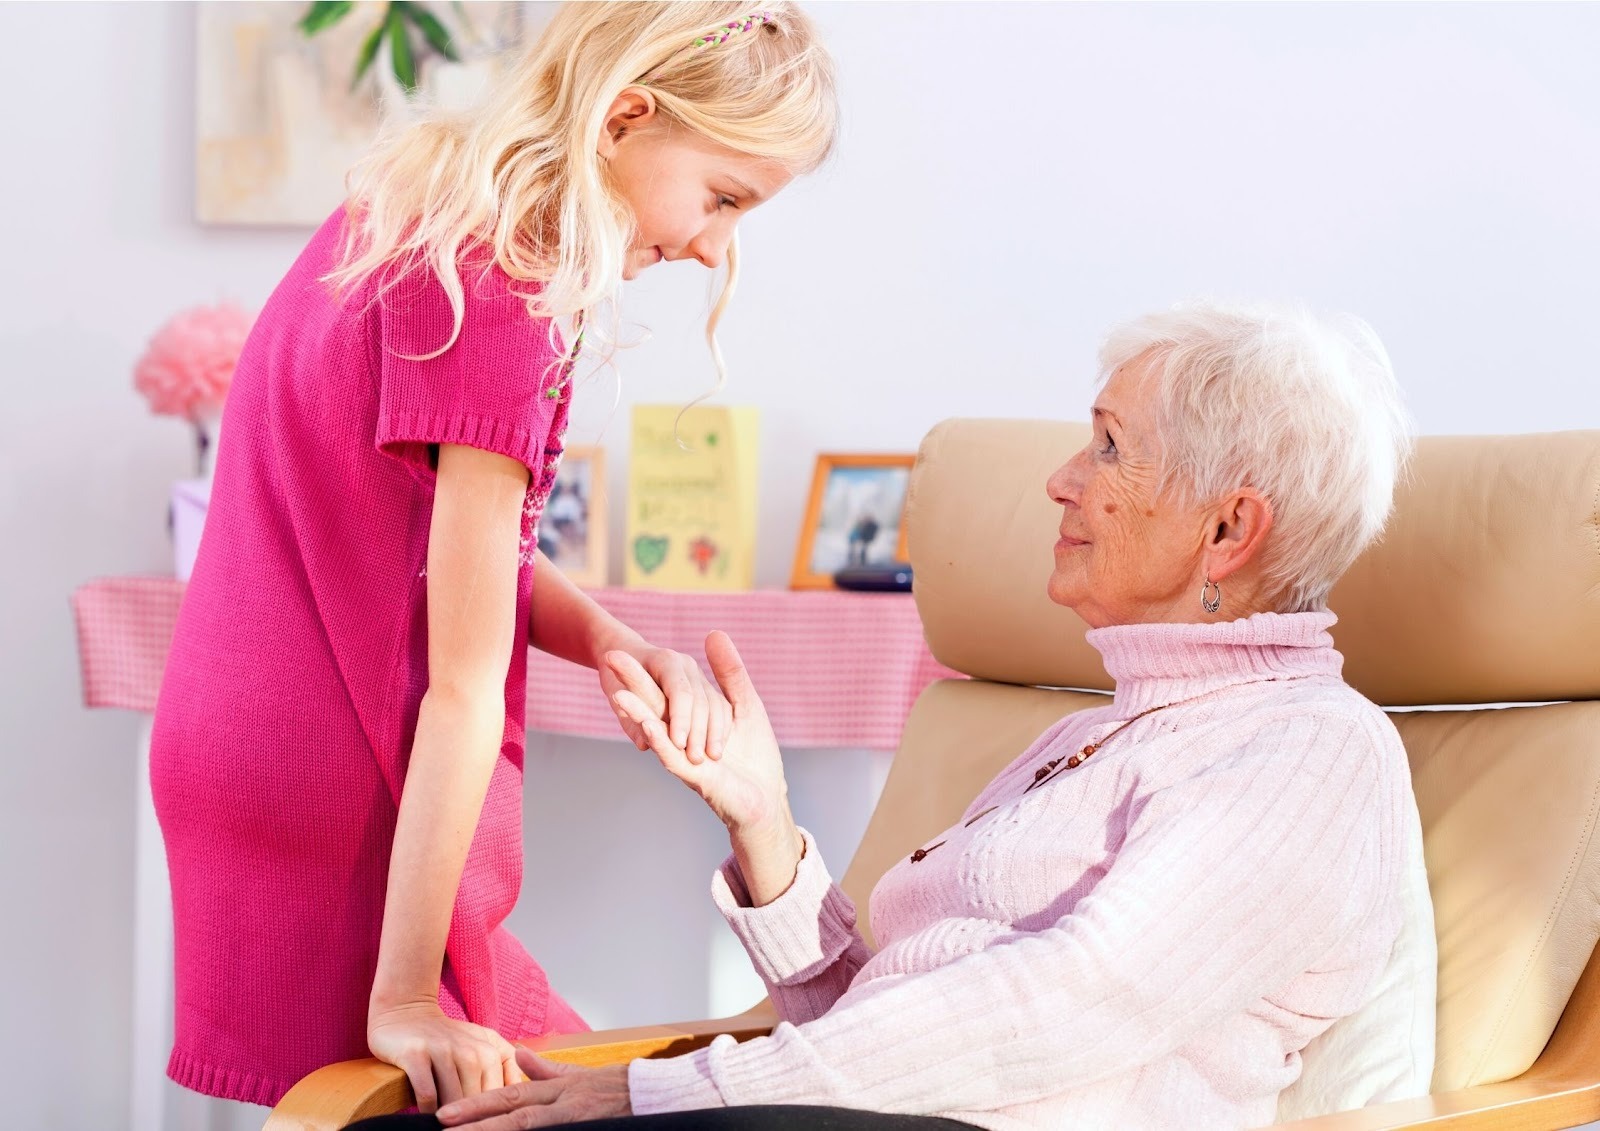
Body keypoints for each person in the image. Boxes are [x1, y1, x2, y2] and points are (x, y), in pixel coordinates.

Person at [366, 301, 1430, 1130]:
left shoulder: (1312, 750)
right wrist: (764, 821)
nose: (1061, 481)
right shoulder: (1089, 735)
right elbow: (869, 1029)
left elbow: (1067, 1003)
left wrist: (669, 1091)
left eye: (1107, 446)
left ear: (1229, 528)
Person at [149, 1, 837, 1116]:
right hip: (348, 783)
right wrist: (407, 994)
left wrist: (607, 637)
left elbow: (420, 548)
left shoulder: (417, 213)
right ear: (625, 118)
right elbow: (461, 690)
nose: (715, 246)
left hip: (241, 742)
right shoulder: (509, 294)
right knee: (524, 1087)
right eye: (721, 198)